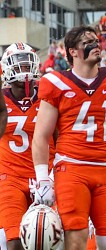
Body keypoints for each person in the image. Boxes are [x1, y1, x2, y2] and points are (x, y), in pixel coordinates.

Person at [32, 26, 106, 250]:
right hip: (72, 168)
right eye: (88, 43)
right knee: (76, 237)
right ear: (73, 52)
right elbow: (42, 136)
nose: (96, 46)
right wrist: (42, 178)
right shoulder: (55, 83)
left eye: (96, 41)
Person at [0, 43, 46, 250]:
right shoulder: (2, 101)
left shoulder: (48, 96)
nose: (24, 71)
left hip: (46, 177)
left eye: (28, 66)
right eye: (19, 66)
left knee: (48, 237)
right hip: (10, 177)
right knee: (14, 239)